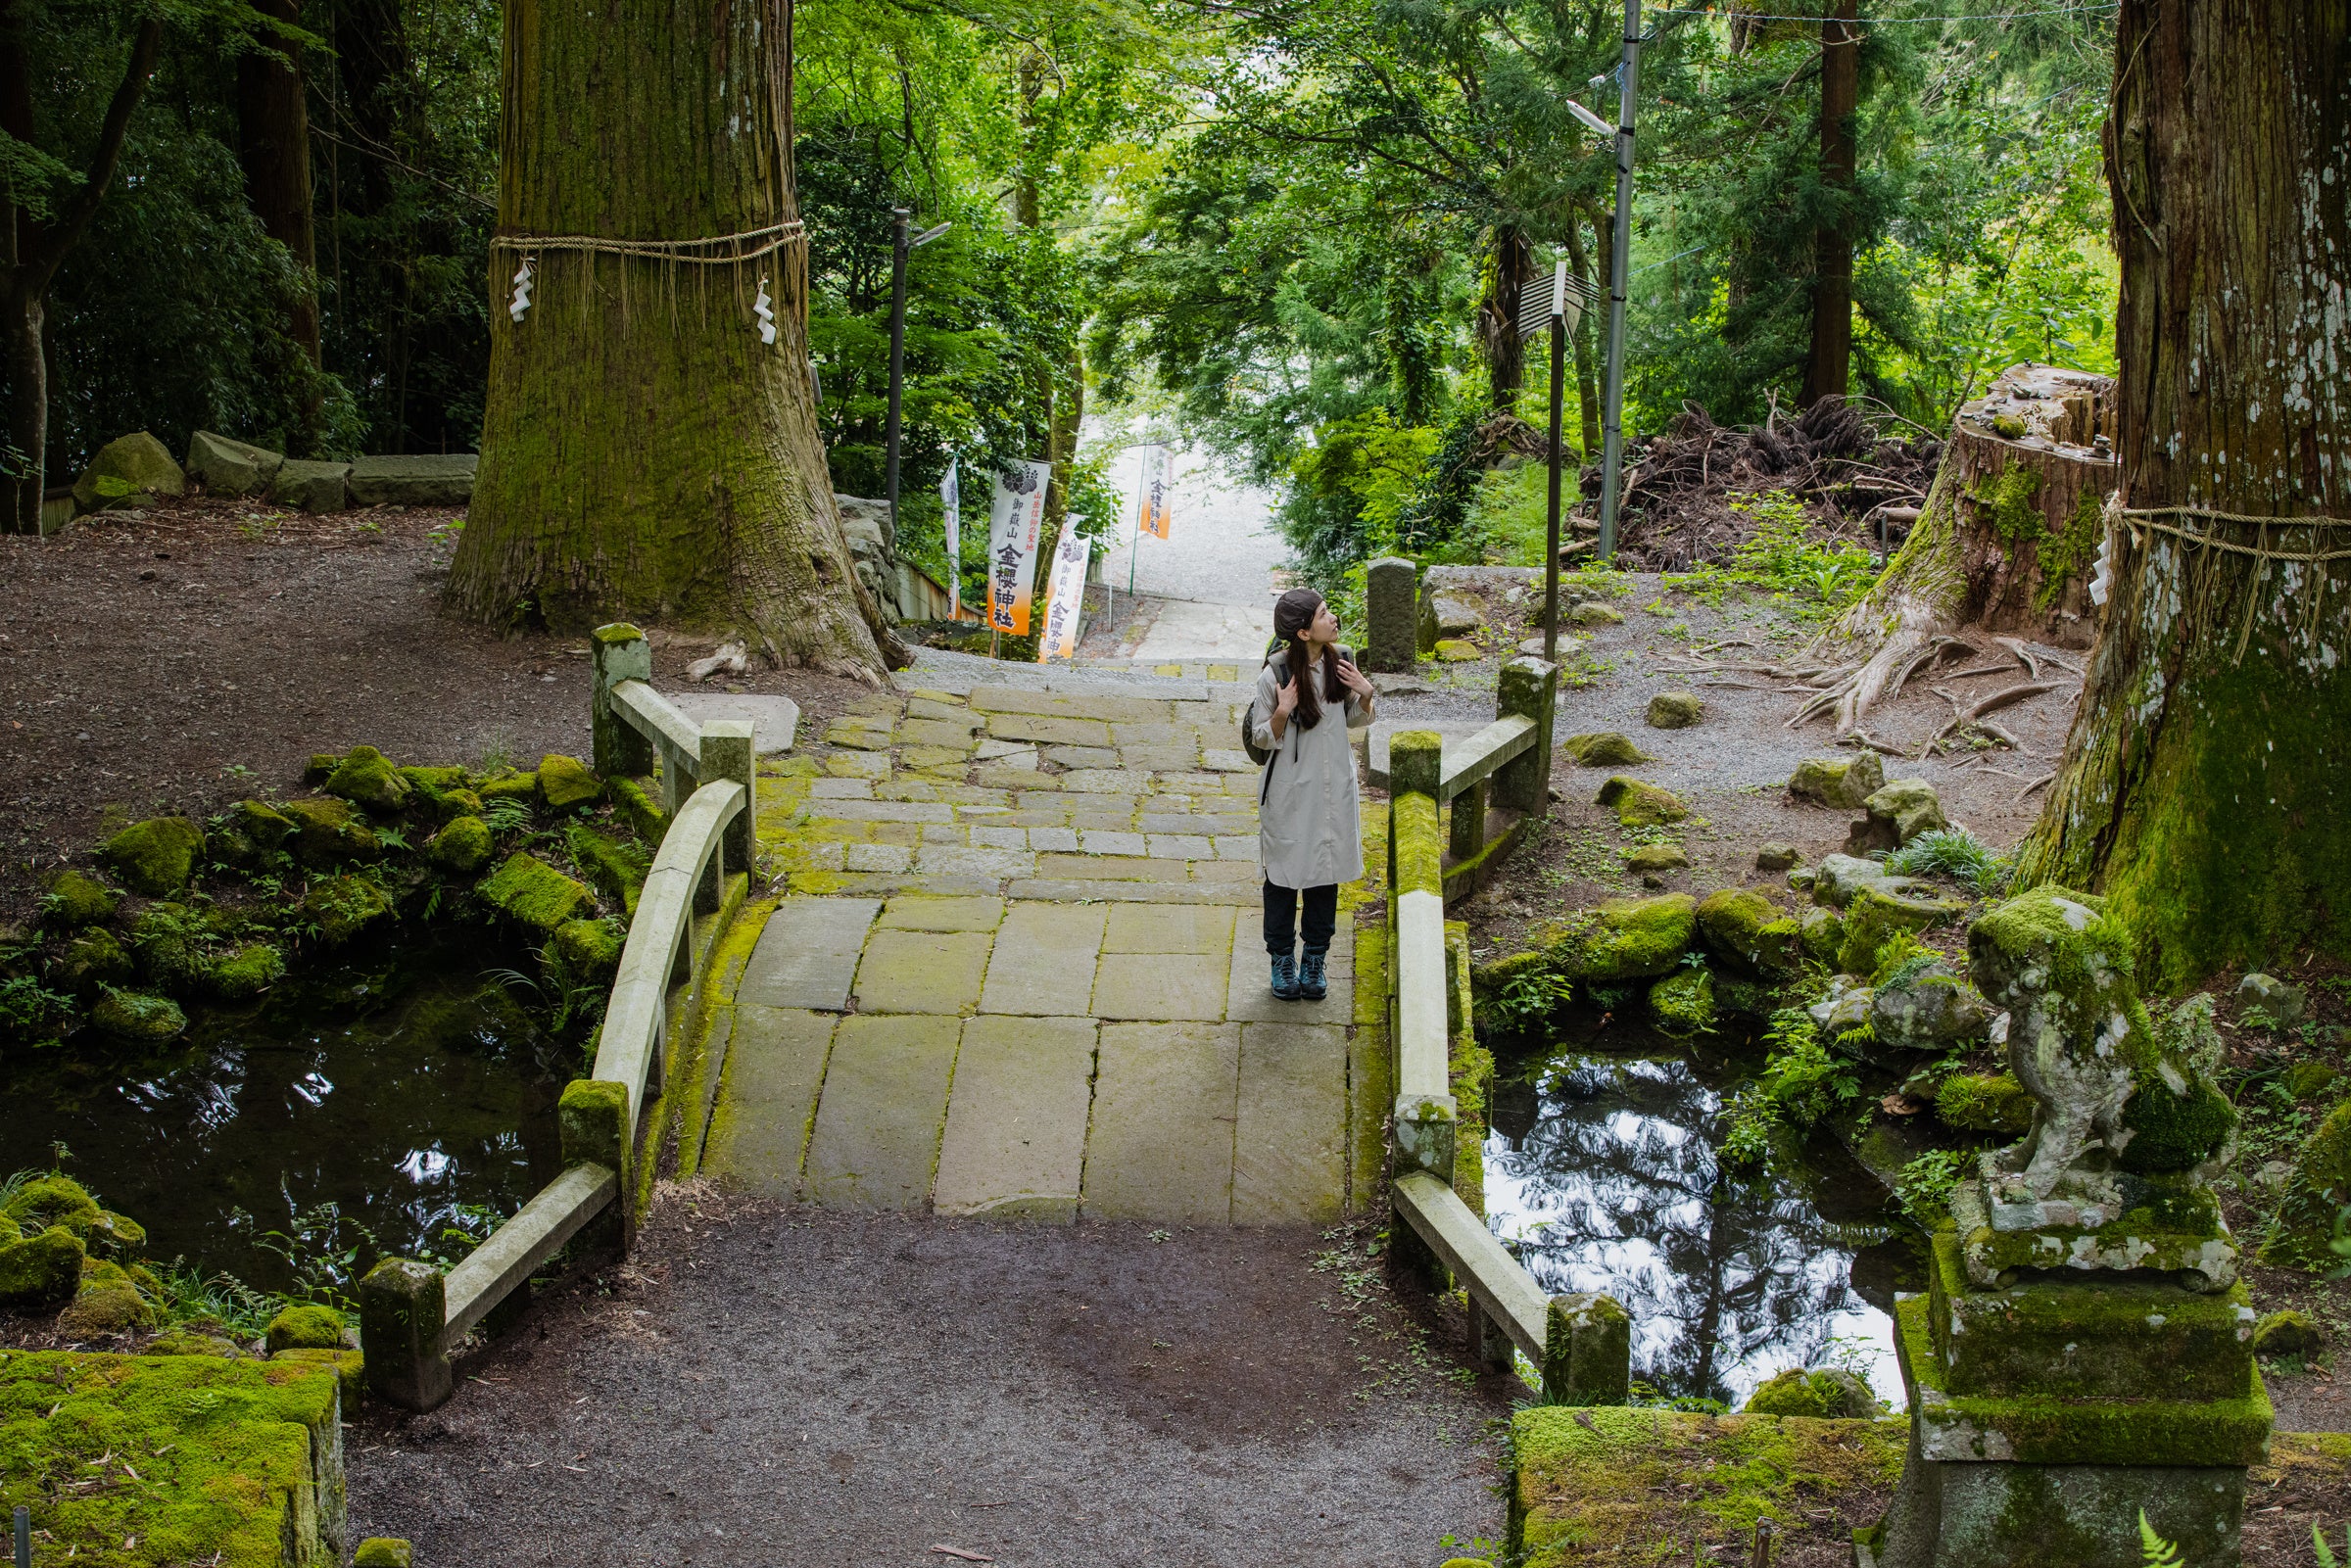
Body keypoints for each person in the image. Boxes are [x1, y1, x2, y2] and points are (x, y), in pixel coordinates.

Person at [1253, 587, 1377, 1001]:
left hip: (1332, 788)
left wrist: (1365, 692)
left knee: (1325, 872)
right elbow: (1260, 738)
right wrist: (1282, 710)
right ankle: (1282, 959)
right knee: (1283, 876)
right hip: (1289, 792)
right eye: (1324, 614)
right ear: (1304, 632)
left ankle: (1315, 959)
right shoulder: (1275, 675)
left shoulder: (1341, 662)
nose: (1333, 618)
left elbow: (1354, 720)